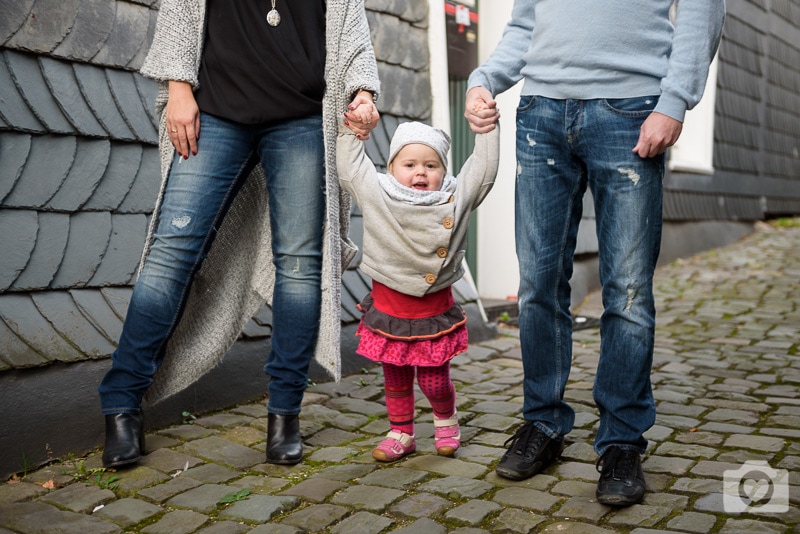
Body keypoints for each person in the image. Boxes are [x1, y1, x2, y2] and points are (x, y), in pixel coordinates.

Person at [98, 0, 380, 469]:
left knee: (299, 264)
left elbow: (351, 34)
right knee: (171, 253)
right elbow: (180, 11)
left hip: (303, 118)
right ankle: (121, 404)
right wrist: (178, 87)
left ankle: (284, 412)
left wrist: (363, 94)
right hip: (215, 110)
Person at [464, 0, 725, 506]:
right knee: (538, 284)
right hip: (541, 112)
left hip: (630, 112)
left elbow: (702, 9)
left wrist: (674, 101)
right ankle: (543, 422)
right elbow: (525, 23)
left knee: (627, 291)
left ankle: (622, 441)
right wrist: (486, 78)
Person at [337, 120, 499, 461]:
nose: (420, 173)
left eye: (431, 165)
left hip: (431, 312)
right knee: (395, 379)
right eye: (409, 165)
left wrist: (486, 128)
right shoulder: (378, 193)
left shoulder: (454, 198)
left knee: (434, 381)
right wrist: (351, 130)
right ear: (391, 167)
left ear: (444, 170)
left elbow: (482, 172)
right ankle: (401, 432)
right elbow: (350, 168)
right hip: (389, 310)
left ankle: (446, 420)